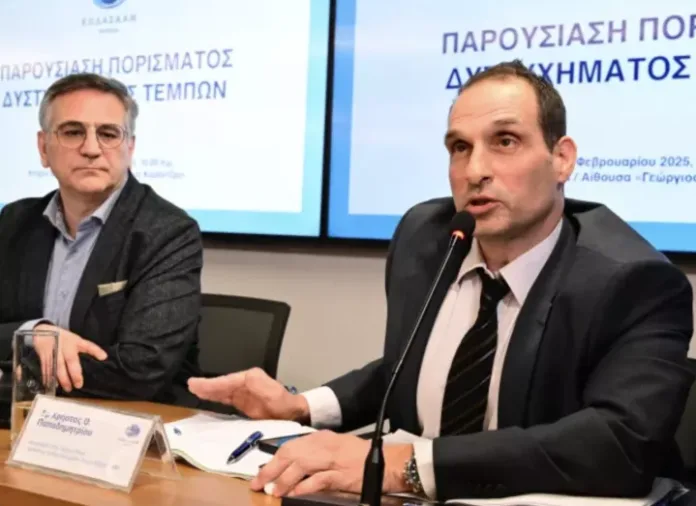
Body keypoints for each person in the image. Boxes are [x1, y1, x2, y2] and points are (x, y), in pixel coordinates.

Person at [188, 60, 694, 500]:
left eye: (505, 142)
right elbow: (409, 367)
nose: (475, 170)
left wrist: (408, 465)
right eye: (459, 147)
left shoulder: (635, 281)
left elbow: (619, 444)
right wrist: (302, 406)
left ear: (562, 158)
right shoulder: (427, 236)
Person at [0, 73, 203, 407]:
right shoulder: (15, 222)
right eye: (72, 132)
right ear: (43, 147)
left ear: (130, 147)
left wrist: (20, 369)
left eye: (108, 134)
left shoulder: (168, 232)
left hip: (130, 424)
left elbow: (141, 370)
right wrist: (32, 332)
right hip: (19, 422)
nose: (91, 149)